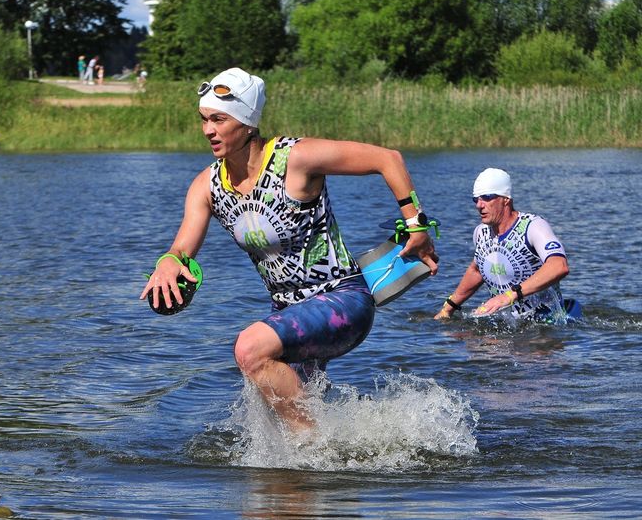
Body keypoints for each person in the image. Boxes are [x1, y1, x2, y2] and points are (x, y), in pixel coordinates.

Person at [140, 67, 438, 433]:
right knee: (272, 421)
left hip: (343, 300)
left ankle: (317, 448)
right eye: (204, 120)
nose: (208, 130)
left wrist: (416, 225)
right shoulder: (207, 185)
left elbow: (387, 158)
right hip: (290, 313)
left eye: (219, 119)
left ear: (247, 121)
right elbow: (182, 247)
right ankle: (323, 470)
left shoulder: (295, 159)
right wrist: (169, 264)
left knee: (250, 349)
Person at [434, 168, 569, 321]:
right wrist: (448, 308)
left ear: (506, 199)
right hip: (507, 324)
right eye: (476, 199)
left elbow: (559, 265)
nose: (479, 205)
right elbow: (477, 270)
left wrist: (509, 296)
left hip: (545, 323)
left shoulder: (533, 227)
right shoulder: (481, 233)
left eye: (486, 197)